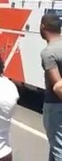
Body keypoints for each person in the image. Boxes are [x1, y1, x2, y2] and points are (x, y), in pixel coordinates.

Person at [40, 12, 62, 161]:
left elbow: (58, 85)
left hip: (55, 105)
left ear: (43, 27)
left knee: (58, 148)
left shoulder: (48, 53)